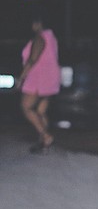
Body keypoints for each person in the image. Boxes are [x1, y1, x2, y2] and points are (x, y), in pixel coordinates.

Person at [18, 15, 60, 154]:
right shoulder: (51, 37)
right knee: (41, 112)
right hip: (50, 77)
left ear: (37, 24)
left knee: (26, 107)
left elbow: (32, 59)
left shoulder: (40, 37)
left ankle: (46, 136)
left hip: (39, 78)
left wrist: (22, 77)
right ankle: (43, 145)